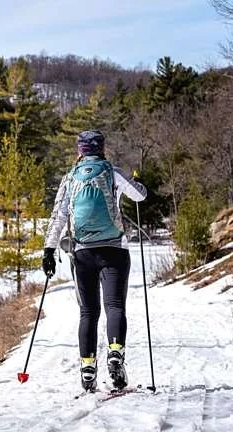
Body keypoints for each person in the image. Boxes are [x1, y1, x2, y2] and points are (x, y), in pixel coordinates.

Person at [42, 130, 146, 392]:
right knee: (114, 306)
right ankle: (115, 354)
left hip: (82, 253)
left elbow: (58, 217)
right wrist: (138, 182)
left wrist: (49, 250)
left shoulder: (69, 178)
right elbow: (140, 196)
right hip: (114, 250)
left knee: (88, 312)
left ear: (80, 151)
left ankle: (87, 367)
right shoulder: (113, 172)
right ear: (101, 148)